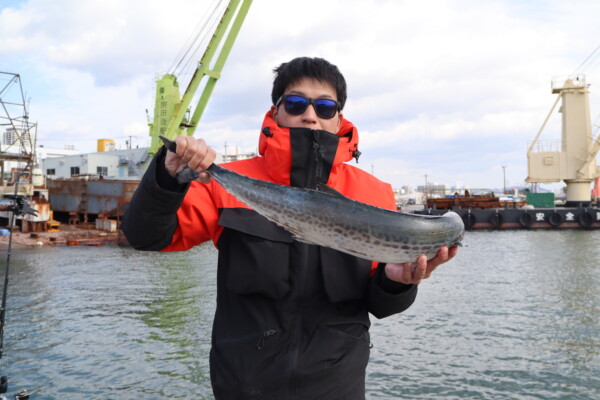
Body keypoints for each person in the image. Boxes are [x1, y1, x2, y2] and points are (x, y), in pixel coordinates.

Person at [121, 57, 458, 399]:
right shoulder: (225, 182)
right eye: (296, 103)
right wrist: (166, 176)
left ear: (340, 117)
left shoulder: (375, 194)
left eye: (326, 107)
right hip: (244, 386)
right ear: (276, 111)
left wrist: (397, 284)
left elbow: (380, 305)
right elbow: (147, 237)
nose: (310, 115)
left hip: (338, 386)